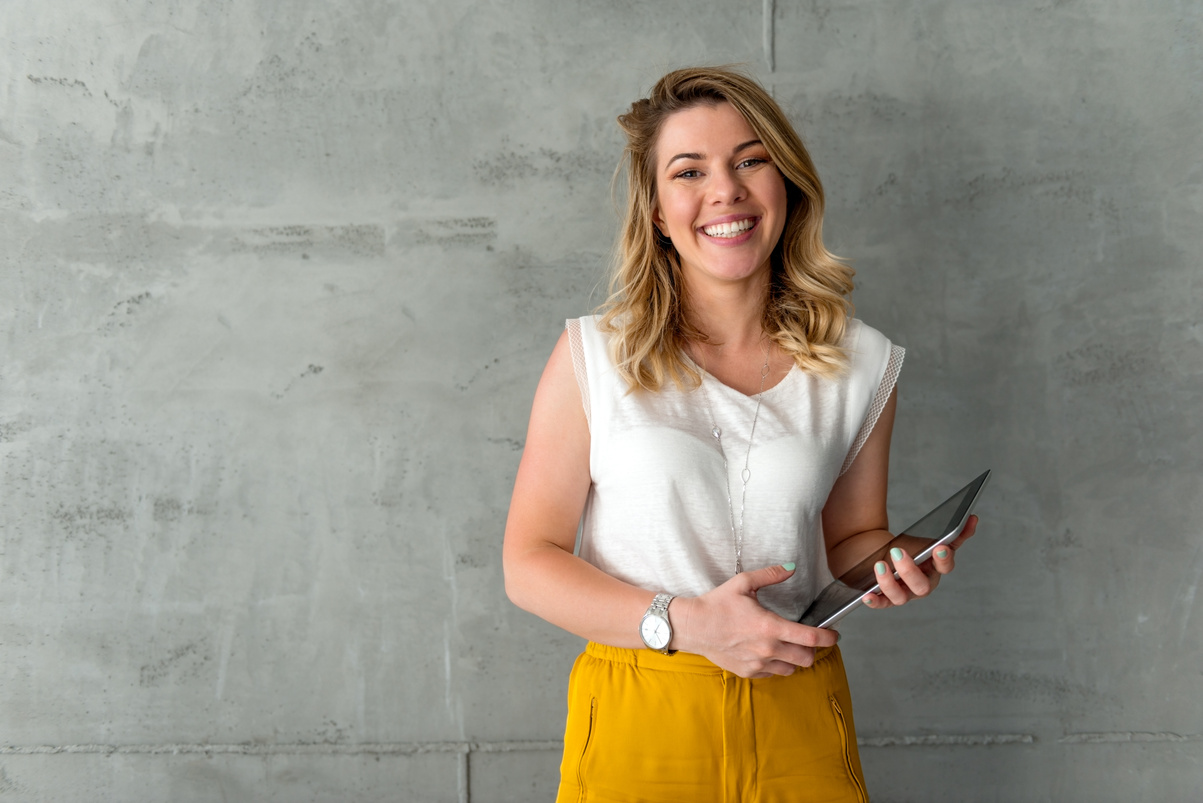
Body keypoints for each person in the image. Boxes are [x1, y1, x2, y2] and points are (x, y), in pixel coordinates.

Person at [503, 66, 977, 803]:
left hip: (797, 712)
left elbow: (851, 540)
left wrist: (894, 563)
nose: (724, 190)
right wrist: (683, 624)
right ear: (658, 210)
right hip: (639, 711)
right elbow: (527, 563)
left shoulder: (861, 362)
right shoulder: (593, 355)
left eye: (749, 160)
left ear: (785, 183)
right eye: (688, 171)